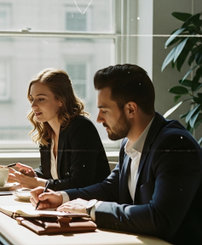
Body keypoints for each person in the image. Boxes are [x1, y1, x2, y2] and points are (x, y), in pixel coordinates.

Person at [30, 64, 201, 244]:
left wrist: (91, 209)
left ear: (131, 110)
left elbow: (159, 218)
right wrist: (62, 197)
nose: (99, 119)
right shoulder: (129, 143)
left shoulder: (173, 145)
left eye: (104, 110)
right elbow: (110, 187)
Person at [8, 68, 110, 190]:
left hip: (89, 205)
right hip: (62, 204)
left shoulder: (81, 128)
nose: (33, 105)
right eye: (32, 98)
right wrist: (34, 175)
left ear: (60, 100)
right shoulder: (47, 132)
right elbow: (53, 174)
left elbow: (80, 183)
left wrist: (37, 182)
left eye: (41, 99)